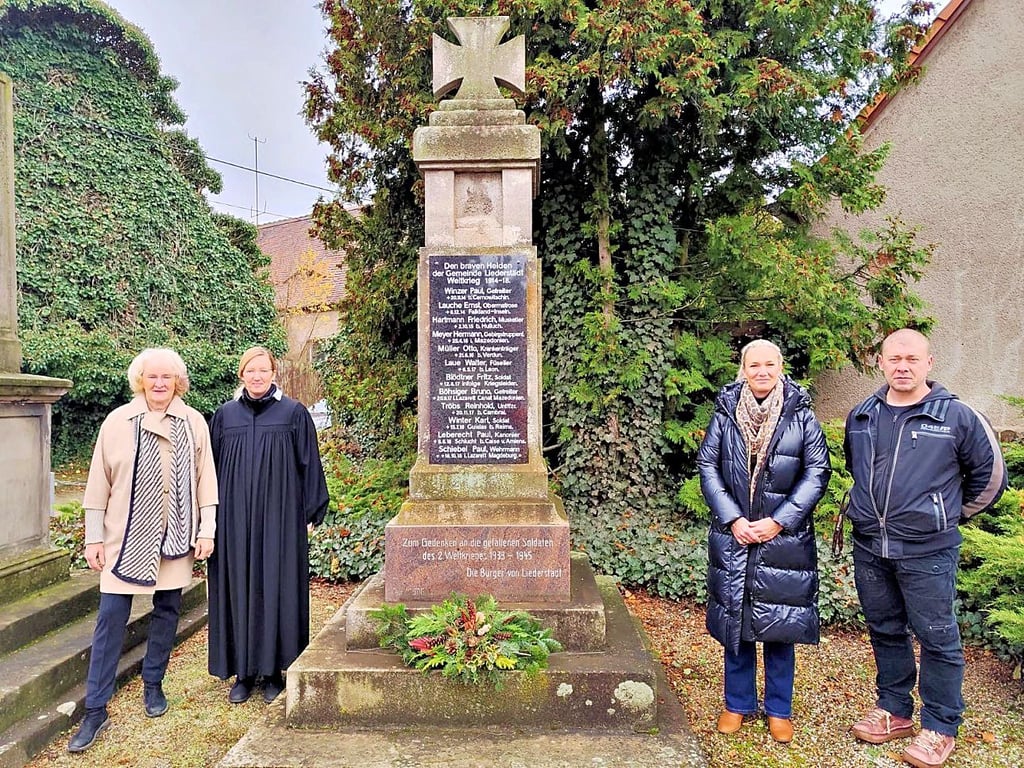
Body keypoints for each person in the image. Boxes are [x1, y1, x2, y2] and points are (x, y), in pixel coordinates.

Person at [844, 328, 1006, 768]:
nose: (902, 366)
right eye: (894, 358)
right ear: (881, 363)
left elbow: (990, 480)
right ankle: (895, 710)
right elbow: (857, 470)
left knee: (937, 638)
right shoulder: (862, 416)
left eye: (912, 359)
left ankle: (940, 726)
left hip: (928, 552)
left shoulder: (957, 417)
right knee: (885, 629)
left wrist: (945, 516)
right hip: (871, 548)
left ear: (929, 363)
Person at [69, 348, 217, 753]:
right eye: (152, 377)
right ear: (140, 380)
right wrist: (94, 537)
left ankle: (154, 683)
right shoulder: (117, 422)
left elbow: (206, 481)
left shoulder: (193, 423)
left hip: (175, 536)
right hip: (123, 539)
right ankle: (96, 709)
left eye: (167, 377)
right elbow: (98, 483)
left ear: (177, 382)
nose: (159, 384)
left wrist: (207, 529)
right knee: (110, 620)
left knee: (168, 611)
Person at [698, 339, 831, 744]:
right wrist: (733, 518)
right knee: (735, 623)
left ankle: (778, 709)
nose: (761, 371)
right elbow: (708, 464)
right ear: (743, 368)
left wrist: (779, 520)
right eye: (753, 364)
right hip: (734, 535)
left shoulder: (801, 414)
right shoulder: (726, 413)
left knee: (779, 625)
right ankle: (736, 704)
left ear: (780, 367)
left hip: (783, 540)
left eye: (768, 364)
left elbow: (817, 472)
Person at [207, 346, 329, 704]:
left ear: (274, 373)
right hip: (234, 522)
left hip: (280, 521)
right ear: (241, 374)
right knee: (238, 587)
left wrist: (309, 514)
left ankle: (274, 670)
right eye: (250, 370)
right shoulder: (225, 416)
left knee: (277, 588)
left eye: (263, 370)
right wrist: (208, 519)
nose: (257, 376)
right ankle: (243, 673)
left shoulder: (293, 414)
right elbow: (209, 472)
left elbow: (309, 465)